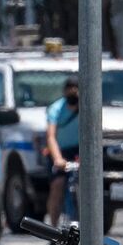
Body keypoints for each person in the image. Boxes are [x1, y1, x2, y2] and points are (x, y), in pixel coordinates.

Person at [45, 74, 82, 229]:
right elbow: (51, 136)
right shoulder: (56, 109)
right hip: (60, 151)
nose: (73, 92)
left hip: (80, 150)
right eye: (70, 89)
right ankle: (53, 231)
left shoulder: (86, 106)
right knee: (58, 185)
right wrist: (58, 159)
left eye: (76, 89)